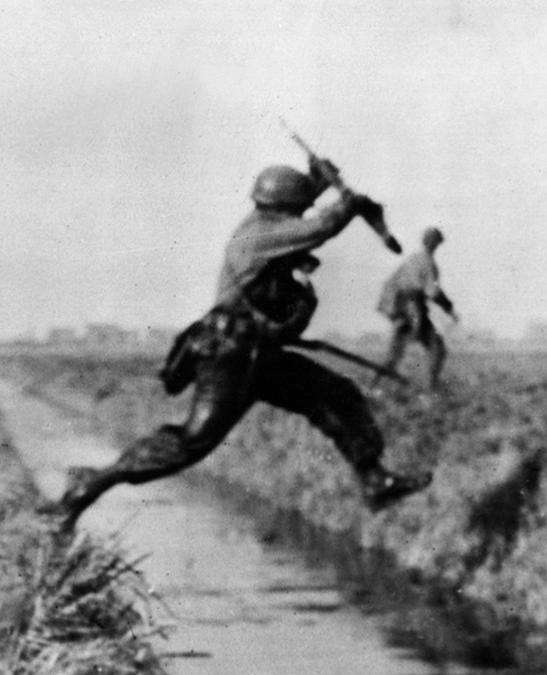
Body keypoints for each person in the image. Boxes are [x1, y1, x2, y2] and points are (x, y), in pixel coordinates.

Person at [54, 158, 432, 531]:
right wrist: (348, 204)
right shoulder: (262, 235)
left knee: (336, 395)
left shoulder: (268, 224)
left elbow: (302, 219)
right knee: (193, 441)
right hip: (231, 354)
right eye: (300, 205)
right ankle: (89, 484)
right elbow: (322, 226)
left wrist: (319, 181)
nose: (303, 212)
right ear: (285, 207)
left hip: (256, 354)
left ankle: (374, 479)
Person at [378, 226, 457, 389]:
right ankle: (430, 389)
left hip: (399, 308)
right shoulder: (428, 262)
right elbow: (433, 292)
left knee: (395, 351)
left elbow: (392, 283)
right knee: (437, 348)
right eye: (436, 242)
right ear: (436, 243)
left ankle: (375, 387)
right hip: (413, 309)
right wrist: (449, 308)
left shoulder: (412, 259)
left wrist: (394, 310)